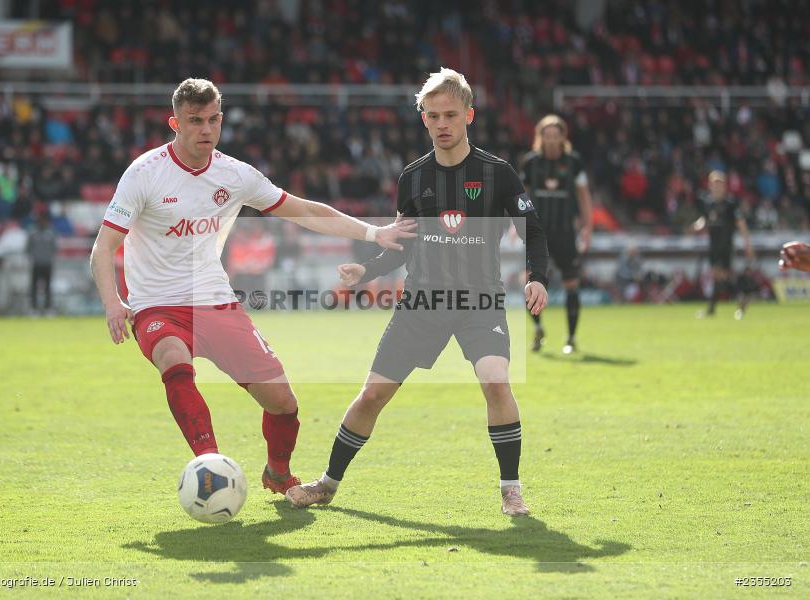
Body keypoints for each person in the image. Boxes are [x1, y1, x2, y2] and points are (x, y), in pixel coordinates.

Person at [90, 78, 415, 496]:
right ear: (175, 123)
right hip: (157, 304)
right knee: (174, 362)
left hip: (215, 301)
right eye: (194, 121)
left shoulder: (235, 175)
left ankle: (277, 473)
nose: (205, 130)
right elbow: (104, 246)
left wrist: (373, 234)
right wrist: (113, 301)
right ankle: (210, 468)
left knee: (283, 404)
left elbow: (303, 211)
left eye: (212, 120)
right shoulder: (144, 174)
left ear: (220, 120)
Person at [285, 68, 549, 516]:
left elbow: (535, 231)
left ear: (469, 114)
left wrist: (535, 275)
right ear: (422, 119)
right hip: (421, 303)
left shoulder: (498, 174)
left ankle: (511, 489)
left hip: (478, 302)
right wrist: (365, 271)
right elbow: (400, 246)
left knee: (496, 381)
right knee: (372, 395)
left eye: (450, 114)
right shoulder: (413, 178)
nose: (442, 123)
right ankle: (327, 484)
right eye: (433, 115)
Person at [518, 115, 593, 354]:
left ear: (563, 137)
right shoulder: (531, 163)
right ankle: (538, 328)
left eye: (555, 135)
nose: (550, 140)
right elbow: (521, 196)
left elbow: (583, 196)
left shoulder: (574, 162)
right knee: (531, 283)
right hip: (538, 233)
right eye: (546, 135)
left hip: (565, 233)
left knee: (572, 283)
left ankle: (571, 337)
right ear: (540, 137)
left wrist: (587, 226)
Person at [693, 171, 754, 319]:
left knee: (722, 276)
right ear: (710, 185)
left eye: (720, 184)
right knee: (718, 278)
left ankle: (743, 295)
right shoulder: (708, 203)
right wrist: (696, 226)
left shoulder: (731, 204)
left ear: (725, 186)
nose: (717, 187)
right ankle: (741, 297)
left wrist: (748, 244)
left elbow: (741, 224)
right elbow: (705, 220)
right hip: (713, 245)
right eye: (715, 184)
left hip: (726, 245)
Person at [27, 211, 57, 314]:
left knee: (48, 287)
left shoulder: (51, 233)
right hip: (36, 264)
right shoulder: (33, 234)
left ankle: (48, 308)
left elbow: (54, 248)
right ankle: (34, 308)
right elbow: (28, 248)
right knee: (34, 287)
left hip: (47, 264)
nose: (42, 222)